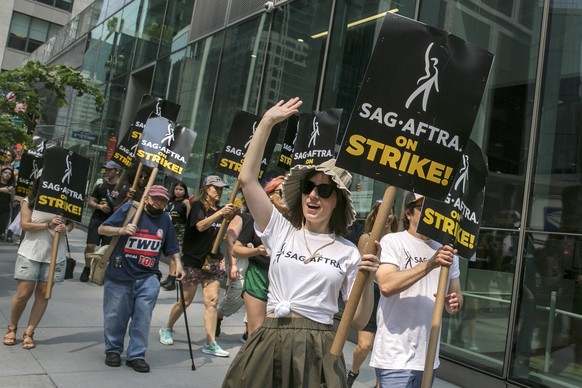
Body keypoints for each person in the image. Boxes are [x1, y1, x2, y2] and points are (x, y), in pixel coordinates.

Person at [222, 97, 380, 387]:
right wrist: (267, 123)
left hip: (319, 347)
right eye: (309, 187)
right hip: (269, 338)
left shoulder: (348, 252)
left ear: (338, 202)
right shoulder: (281, 230)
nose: (313, 195)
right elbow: (247, 180)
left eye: (324, 189)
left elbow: (358, 320)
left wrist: (368, 278)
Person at [370, 192, 463, 387]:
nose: (431, 213)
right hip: (394, 354)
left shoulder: (447, 249)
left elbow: (457, 295)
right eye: (423, 208)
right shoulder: (393, 241)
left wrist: (453, 302)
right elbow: (386, 285)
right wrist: (429, 264)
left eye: (435, 209)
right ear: (408, 213)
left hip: (428, 357)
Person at [97, 185, 184, 373]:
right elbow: (102, 229)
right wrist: (121, 230)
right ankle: (113, 350)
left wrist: (178, 264)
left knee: (143, 319)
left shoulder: (165, 220)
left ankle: (136, 355)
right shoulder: (130, 210)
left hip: (148, 277)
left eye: (162, 201)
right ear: (146, 198)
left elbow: (172, 247)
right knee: (115, 317)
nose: (159, 203)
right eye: (155, 199)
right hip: (120, 274)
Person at [158, 175, 234, 358]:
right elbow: (200, 226)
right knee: (186, 300)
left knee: (212, 301)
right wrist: (220, 214)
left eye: (222, 189)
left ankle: (210, 342)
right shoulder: (198, 206)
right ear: (207, 188)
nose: (220, 192)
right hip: (193, 261)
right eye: (216, 188)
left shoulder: (221, 210)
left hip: (213, 261)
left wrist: (228, 217)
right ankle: (167, 328)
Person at [3, 179, 73, 349]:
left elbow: (71, 224)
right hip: (31, 253)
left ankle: (29, 332)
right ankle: (12, 327)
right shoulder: (29, 201)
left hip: (55, 255)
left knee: (43, 293)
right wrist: (47, 225)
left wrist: (66, 228)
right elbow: (25, 225)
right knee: (23, 293)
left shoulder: (65, 202)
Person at [347, 200, 398, 387]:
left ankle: (380, 383)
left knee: (384, 348)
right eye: (383, 212)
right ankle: (353, 371)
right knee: (365, 345)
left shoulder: (398, 239)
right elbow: (363, 273)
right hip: (371, 295)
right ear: (375, 216)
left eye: (390, 212)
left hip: (390, 299)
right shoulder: (366, 238)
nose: (387, 216)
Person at [238, 175, 287, 339]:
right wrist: (257, 251)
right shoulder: (256, 220)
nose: (287, 196)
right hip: (258, 277)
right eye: (282, 192)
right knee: (257, 331)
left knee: (277, 335)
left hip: (283, 282)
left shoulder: (297, 223)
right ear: (270, 195)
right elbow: (236, 249)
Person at [80, 161, 122, 282]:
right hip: (97, 219)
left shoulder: (122, 187)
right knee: (90, 245)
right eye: (105, 170)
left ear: (117, 171)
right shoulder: (100, 185)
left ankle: (99, 271)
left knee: (106, 248)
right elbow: (90, 201)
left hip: (112, 221)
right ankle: (87, 267)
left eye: (109, 170)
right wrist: (99, 207)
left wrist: (119, 198)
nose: (106, 172)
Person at [215, 199, 248, 339]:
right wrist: (233, 264)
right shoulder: (241, 217)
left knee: (256, 296)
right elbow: (230, 241)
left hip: (260, 260)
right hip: (240, 258)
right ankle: (217, 316)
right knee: (237, 293)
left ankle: (249, 330)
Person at [160, 182, 191, 291]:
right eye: (176, 189)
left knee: (175, 255)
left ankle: (173, 280)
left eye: (181, 189)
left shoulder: (185, 202)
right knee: (170, 255)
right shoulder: (170, 201)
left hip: (181, 230)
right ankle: (170, 276)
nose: (178, 191)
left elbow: (189, 218)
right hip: (170, 228)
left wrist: (188, 206)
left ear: (185, 191)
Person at [0, 167, 16, 241]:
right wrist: (1, 190)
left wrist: (12, 191)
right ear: (1, 174)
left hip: (5, 210)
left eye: (9, 174)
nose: (7, 175)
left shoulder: (11, 187)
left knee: (2, 227)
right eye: (5, 172)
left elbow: (12, 200)